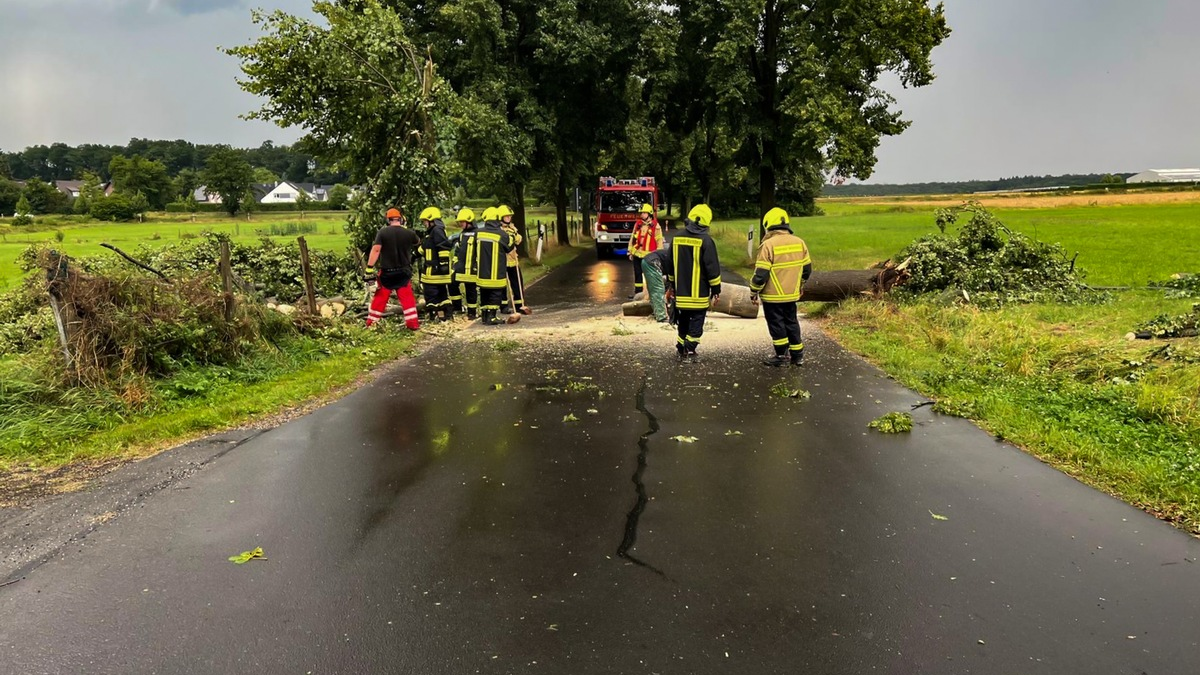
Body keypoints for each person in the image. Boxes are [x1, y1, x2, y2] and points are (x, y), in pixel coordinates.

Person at [750, 207, 812, 366]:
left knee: (776, 324)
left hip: (772, 295)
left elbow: (761, 274)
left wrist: (754, 290)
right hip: (791, 294)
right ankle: (797, 356)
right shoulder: (800, 242)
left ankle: (781, 356)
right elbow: (807, 270)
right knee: (791, 322)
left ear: (768, 224)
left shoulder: (768, 245)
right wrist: (800, 284)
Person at [665, 204, 721, 362]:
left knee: (683, 320)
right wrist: (716, 290)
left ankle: (681, 347)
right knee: (697, 321)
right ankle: (690, 350)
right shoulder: (706, 241)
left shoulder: (676, 238)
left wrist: (671, 285)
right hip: (699, 293)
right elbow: (712, 268)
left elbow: (670, 264)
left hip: (681, 292)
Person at [366, 207, 421, 330]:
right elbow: (418, 243)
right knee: (407, 300)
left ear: (388, 220)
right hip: (404, 272)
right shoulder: (409, 233)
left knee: (380, 299)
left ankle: (371, 324)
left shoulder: (383, 232)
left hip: (387, 272)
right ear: (401, 219)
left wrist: (369, 268)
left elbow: (376, 250)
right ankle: (413, 324)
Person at [473, 206, 516, 325]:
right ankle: (492, 317)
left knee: (484, 293)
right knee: (495, 293)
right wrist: (512, 236)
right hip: (496, 271)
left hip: (482, 272)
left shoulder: (478, 233)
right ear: (497, 219)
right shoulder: (502, 235)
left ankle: (485, 316)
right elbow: (509, 248)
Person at [418, 206, 454, 322]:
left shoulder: (437, 230)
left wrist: (443, 263)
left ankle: (434, 316)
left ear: (431, 220)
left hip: (435, 270)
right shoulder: (432, 233)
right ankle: (446, 315)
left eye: (425, 221)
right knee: (442, 294)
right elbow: (426, 248)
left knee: (431, 294)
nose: (424, 224)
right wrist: (414, 254)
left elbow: (443, 246)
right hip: (434, 270)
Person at [497, 205, 530, 315]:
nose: (508, 218)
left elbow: (519, 239)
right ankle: (504, 306)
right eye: (506, 217)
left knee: (517, 283)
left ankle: (520, 305)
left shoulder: (512, 228)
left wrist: (514, 234)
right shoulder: (499, 230)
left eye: (509, 217)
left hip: (513, 260)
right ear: (500, 218)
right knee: (502, 285)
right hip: (502, 260)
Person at [628, 203, 664, 299]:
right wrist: (630, 251)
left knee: (650, 275)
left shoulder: (656, 226)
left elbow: (659, 241)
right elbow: (633, 238)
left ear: (650, 213)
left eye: (644, 213)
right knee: (637, 274)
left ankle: (650, 294)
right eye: (641, 213)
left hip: (649, 255)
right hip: (637, 254)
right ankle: (637, 293)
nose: (642, 215)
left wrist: (659, 255)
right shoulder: (638, 224)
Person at [451, 207, 479, 320]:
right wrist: (454, 263)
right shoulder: (462, 235)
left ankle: (472, 312)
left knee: (470, 290)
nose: (461, 224)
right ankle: (457, 308)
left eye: (462, 222)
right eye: (460, 222)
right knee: (452, 284)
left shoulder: (478, 234)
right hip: (460, 267)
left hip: (472, 268)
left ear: (469, 221)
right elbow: (458, 251)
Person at [640, 242, 672, 323]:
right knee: (658, 289)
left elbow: (670, 280)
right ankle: (661, 316)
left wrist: (668, 289)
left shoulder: (673, 256)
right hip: (653, 262)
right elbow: (671, 278)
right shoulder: (676, 261)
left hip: (647, 261)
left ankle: (656, 312)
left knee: (654, 290)